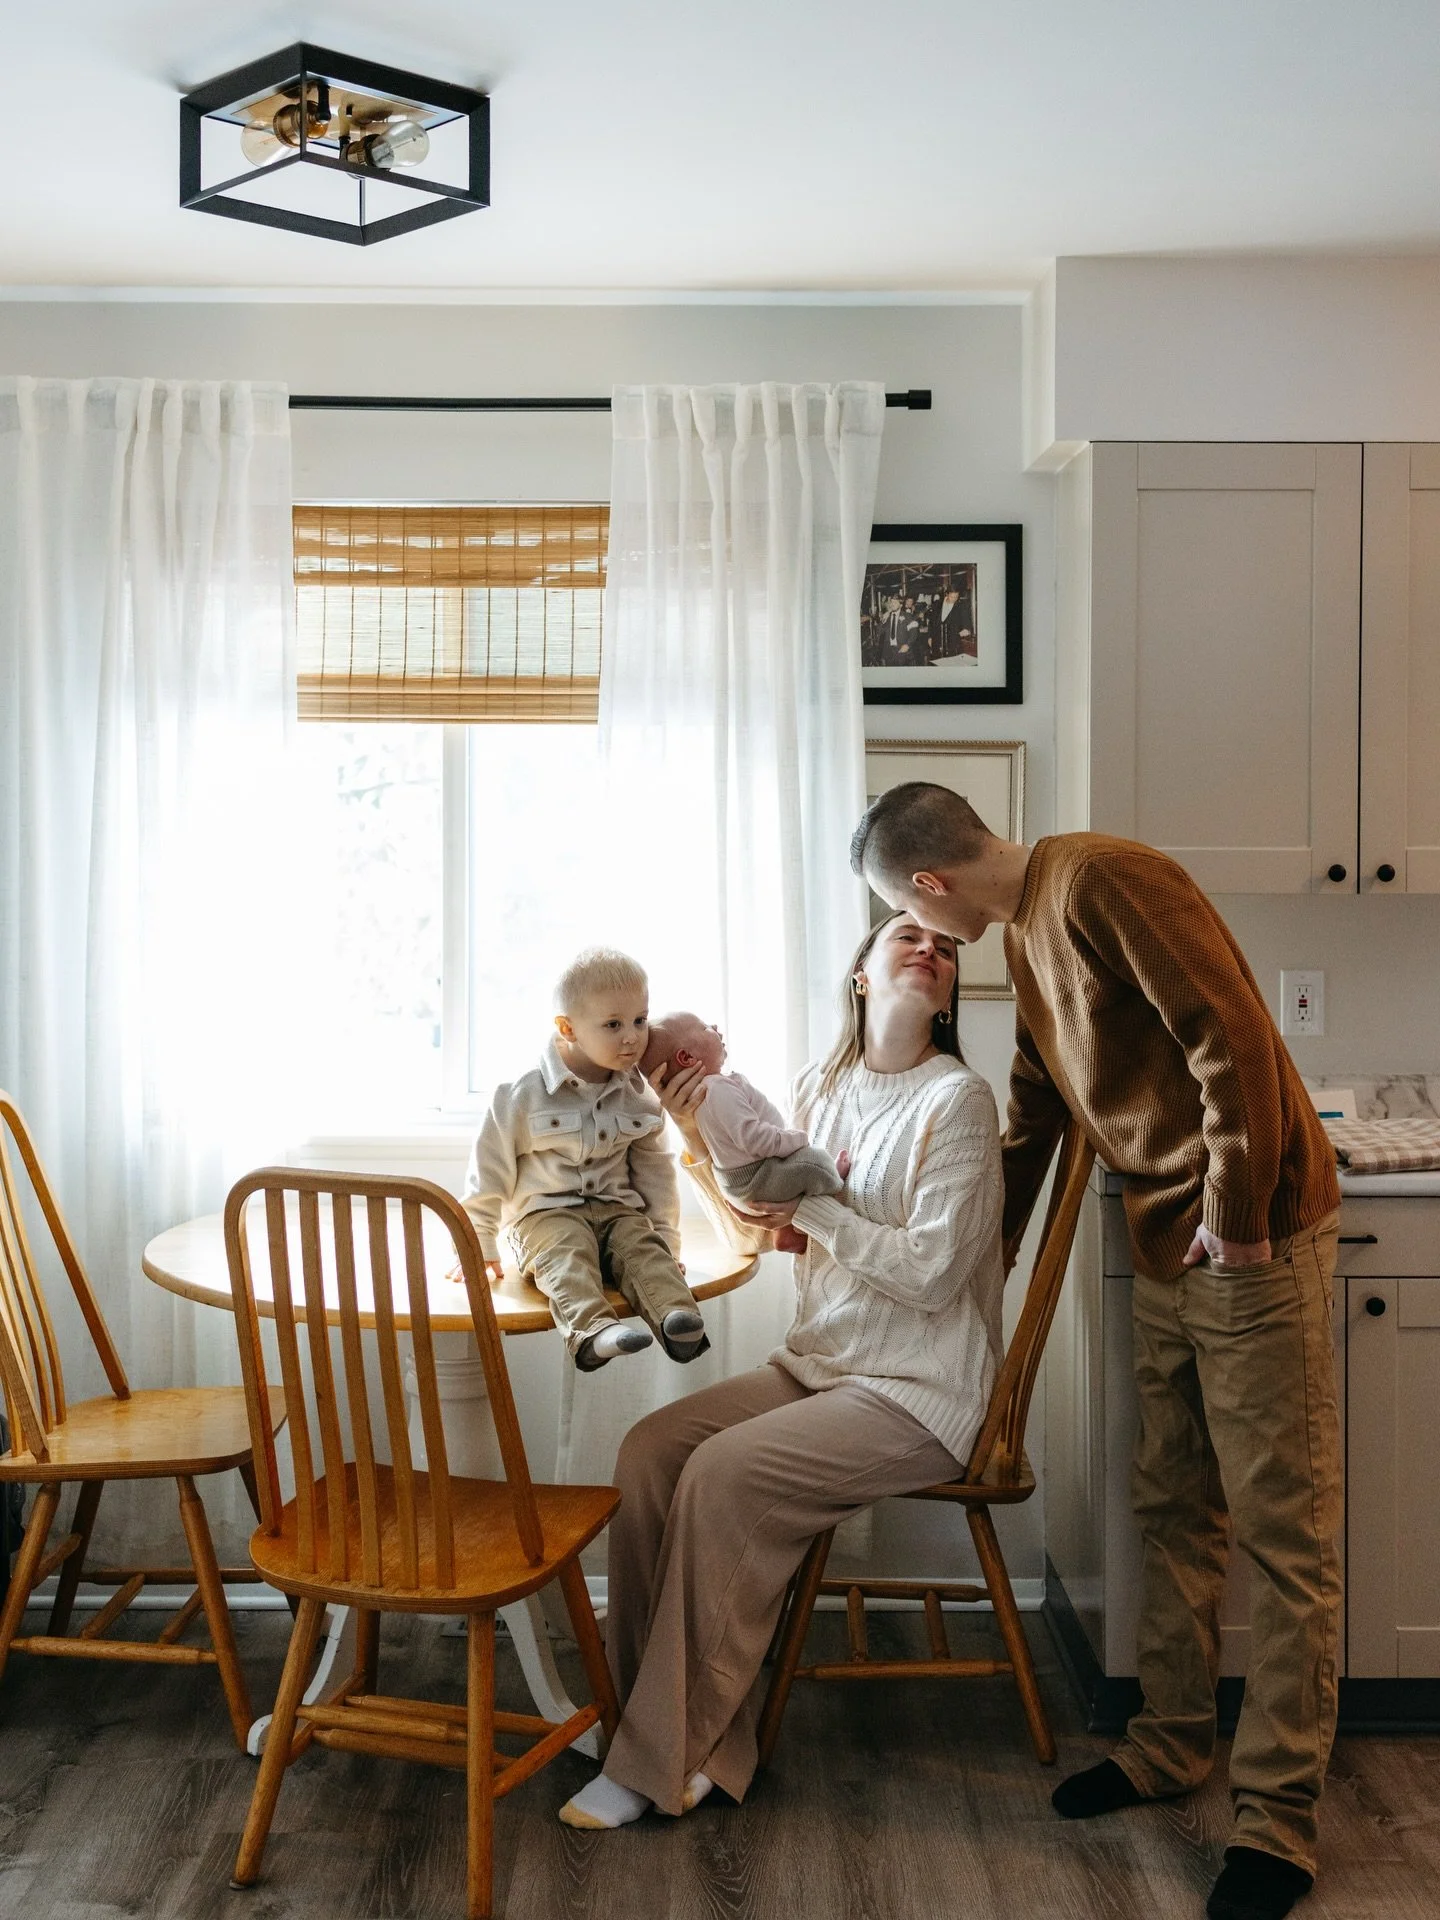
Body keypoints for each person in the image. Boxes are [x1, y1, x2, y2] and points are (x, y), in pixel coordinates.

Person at [850, 783, 1341, 1920]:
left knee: (1285, 1531)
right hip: (1172, 1241)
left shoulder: (1108, 877)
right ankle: (1170, 1746)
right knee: (1172, 1505)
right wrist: (996, 1243)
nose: (922, 938)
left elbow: (1234, 1036)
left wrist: (1240, 1215)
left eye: (912, 915)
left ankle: (1279, 1826)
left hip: (1248, 1239)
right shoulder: (1026, 931)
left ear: (931, 882)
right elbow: (1036, 1102)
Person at [557, 910, 1004, 1830]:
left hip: (919, 1391)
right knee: (651, 1451)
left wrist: (819, 1214)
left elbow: (932, 1273)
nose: (931, 950)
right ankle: (649, 1724)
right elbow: (763, 1231)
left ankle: (659, 1760)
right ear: (861, 974)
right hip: (822, 1363)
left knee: (723, 1475)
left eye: (947, 947)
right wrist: (694, 1139)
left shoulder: (957, 1101)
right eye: (906, 939)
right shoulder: (822, 1085)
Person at [460, 947, 708, 1371]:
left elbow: (656, 1175)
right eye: (613, 1024)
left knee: (642, 1246)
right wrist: (478, 1246)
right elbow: (488, 1174)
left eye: (640, 1020)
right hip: (545, 1216)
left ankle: (675, 1318)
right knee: (565, 1253)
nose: (632, 1036)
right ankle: (594, 1331)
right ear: (568, 1028)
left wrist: (667, 1242)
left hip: (617, 1211)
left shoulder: (641, 1098)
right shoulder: (521, 1096)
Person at [639, 1009, 844, 1253]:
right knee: (815, 1163)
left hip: (751, 1178)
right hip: (753, 1177)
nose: (714, 1026)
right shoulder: (717, 1090)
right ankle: (834, 1179)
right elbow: (753, 1139)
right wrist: (689, 1132)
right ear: (686, 1057)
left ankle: (790, 1230)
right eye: (705, 1027)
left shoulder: (716, 1091)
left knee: (801, 1169)